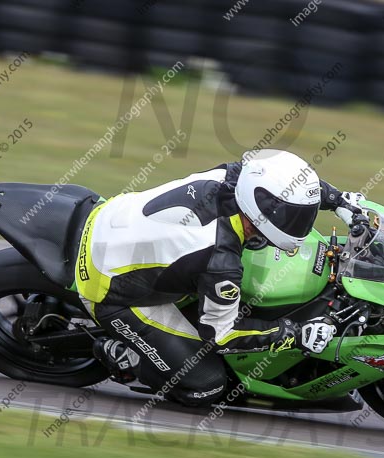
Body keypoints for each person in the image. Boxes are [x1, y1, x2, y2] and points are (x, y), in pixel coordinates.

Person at [75, 149, 364, 406]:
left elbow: (291, 187)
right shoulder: (220, 262)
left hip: (112, 216)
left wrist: (339, 201)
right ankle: (128, 356)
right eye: (292, 215)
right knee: (206, 386)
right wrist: (292, 333)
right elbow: (221, 336)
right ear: (263, 209)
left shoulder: (235, 176)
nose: (299, 223)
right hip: (109, 288)